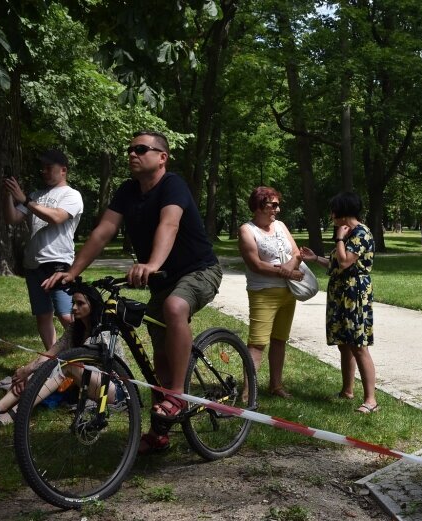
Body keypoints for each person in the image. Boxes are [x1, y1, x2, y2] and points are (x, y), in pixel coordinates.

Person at [43, 130, 222, 454]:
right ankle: (159, 431)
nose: (132, 154)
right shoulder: (128, 191)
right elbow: (102, 232)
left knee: (175, 307)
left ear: (161, 157)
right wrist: (72, 271)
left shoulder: (173, 185)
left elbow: (170, 224)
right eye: (130, 149)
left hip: (199, 271)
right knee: (159, 358)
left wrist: (151, 263)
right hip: (163, 280)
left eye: (141, 149)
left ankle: (178, 395)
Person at [0, 286, 118, 427]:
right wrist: (26, 371)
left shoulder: (103, 331)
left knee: (67, 366)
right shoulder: (75, 328)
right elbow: (49, 354)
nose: (74, 307)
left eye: (80, 303)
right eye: (73, 303)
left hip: (110, 389)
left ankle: (14, 415)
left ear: (93, 306)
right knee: (42, 370)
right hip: (82, 383)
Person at [300, 192, 377, 413]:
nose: (331, 215)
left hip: (355, 293)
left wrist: (339, 238)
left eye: (334, 211)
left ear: (343, 212)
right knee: (344, 344)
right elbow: (335, 264)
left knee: (358, 346)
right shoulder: (349, 233)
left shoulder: (361, 233)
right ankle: (347, 390)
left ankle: (371, 400)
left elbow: (345, 262)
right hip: (340, 292)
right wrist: (315, 258)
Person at [1, 150, 84, 351]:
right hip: (33, 264)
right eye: (43, 168)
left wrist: (25, 200)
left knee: (66, 314)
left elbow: (56, 217)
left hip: (58, 262)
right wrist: (8, 195)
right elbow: (12, 219)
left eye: (49, 168)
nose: (44, 172)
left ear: (63, 170)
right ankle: (54, 362)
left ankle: (84, 354)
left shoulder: (72, 195)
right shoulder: (36, 195)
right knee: (43, 315)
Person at [238, 187, 304, 399]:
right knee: (257, 343)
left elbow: (296, 252)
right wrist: (284, 271)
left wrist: (290, 267)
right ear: (259, 206)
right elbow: (256, 264)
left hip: (288, 292)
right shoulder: (247, 230)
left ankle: (276, 386)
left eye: (277, 204)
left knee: (279, 340)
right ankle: (247, 393)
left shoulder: (280, 226)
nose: (278, 208)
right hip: (263, 293)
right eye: (273, 205)